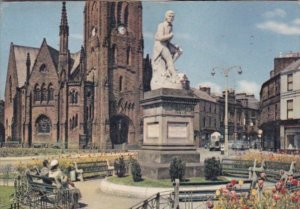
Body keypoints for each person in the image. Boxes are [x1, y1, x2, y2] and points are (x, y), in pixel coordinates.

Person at [152, 10, 183, 79]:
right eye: (169, 16)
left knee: (179, 51)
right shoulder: (161, 25)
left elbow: (167, 40)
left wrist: (175, 46)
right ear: (166, 17)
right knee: (169, 59)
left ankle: (169, 69)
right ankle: (174, 74)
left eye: (172, 17)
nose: (171, 18)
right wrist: (170, 36)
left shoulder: (170, 27)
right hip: (160, 45)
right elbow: (160, 38)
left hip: (166, 44)